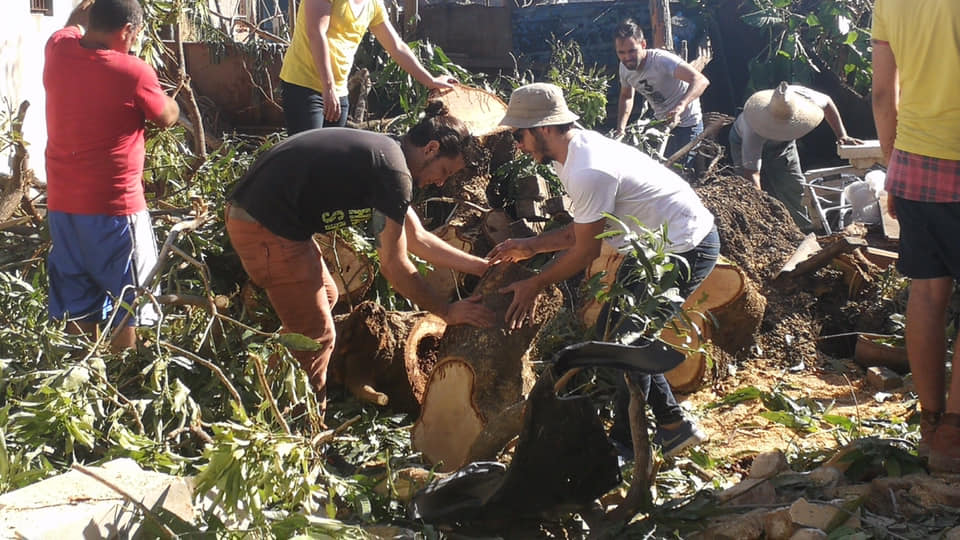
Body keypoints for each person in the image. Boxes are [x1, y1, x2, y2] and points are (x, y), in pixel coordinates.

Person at [490, 83, 719, 458]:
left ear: (544, 128)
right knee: (615, 337)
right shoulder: (567, 156)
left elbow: (586, 251)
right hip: (649, 247)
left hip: (684, 246)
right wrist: (530, 246)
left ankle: (629, 443)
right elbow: (582, 230)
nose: (518, 145)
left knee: (623, 344)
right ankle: (673, 426)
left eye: (519, 135)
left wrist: (537, 282)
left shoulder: (587, 169)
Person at [226, 102, 494, 412]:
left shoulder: (389, 157)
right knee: (317, 335)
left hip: (268, 221)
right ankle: (299, 419)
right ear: (431, 148)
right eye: (444, 171)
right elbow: (394, 265)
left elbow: (417, 239)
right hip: (264, 227)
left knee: (327, 297)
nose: (441, 182)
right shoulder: (393, 171)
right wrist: (447, 311)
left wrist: (483, 267)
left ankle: (270, 378)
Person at [43, 0, 180, 352]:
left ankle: (84, 375)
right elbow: (166, 117)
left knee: (78, 301)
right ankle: (124, 372)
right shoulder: (132, 72)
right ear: (127, 31)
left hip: (62, 208)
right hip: (115, 211)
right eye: (135, 35)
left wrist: (84, 10)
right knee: (131, 302)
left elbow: (72, 23)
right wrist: (172, 100)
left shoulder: (57, 50)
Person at [872, 0, 960, 473]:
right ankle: (954, 434)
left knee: (926, 294)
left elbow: (882, 94)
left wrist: (894, 166)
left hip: (914, 163)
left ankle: (931, 424)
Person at [279, 0, 458, 134]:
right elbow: (316, 33)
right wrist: (328, 87)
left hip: (338, 91)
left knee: (331, 162)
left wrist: (430, 80)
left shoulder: (373, 4)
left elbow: (396, 46)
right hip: (304, 85)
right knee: (306, 160)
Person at [729, 82, 862, 231]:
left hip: (784, 147)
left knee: (795, 189)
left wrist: (842, 135)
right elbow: (752, 173)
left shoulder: (803, 97)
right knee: (746, 192)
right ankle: (756, 229)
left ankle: (802, 229)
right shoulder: (752, 130)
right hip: (741, 142)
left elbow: (827, 103)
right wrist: (761, 207)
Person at [612, 19, 710, 161]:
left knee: (680, 169)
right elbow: (626, 96)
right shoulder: (624, 67)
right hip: (661, 124)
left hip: (688, 123)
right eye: (621, 53)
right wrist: (620, 129)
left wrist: (680, 107)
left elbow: (700, 80)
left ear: (643, 44)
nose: (627, 57)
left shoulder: (661, 61)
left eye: (632, 51)